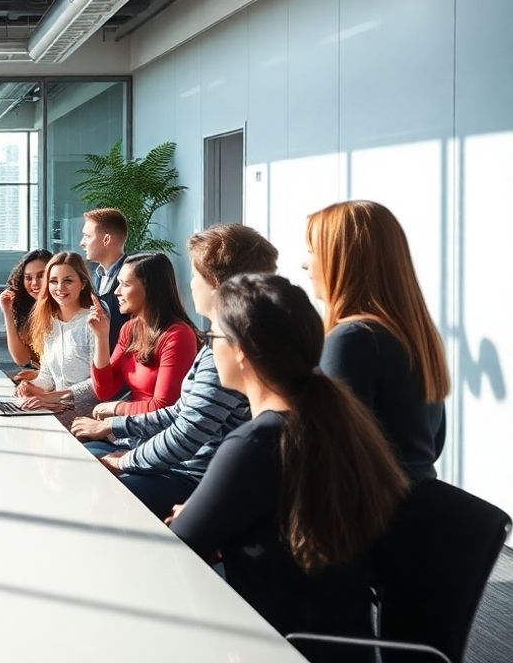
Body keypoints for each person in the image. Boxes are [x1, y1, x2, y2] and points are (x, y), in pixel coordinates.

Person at [170, 274, 409, 658]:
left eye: (212, 338)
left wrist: (201, 522)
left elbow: (177, 549)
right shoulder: (336, 422)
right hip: (336, 643)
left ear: (241, 351)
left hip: (274, 645)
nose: (208, 350)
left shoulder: (256, 443)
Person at [72, 224, 278, 518]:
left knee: (96, 490)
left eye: (195, 276)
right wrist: (114, 427)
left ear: (217, 284)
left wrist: (127, 459)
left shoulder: (226, 350)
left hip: (192, 476)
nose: (191, 285)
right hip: (181, 466)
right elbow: (181, 412)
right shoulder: (216, 344)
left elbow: (187, 432)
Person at [305, 200, 449, 482]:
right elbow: (431, 445)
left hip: (368, 519)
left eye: (312, 251)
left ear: (341, 259)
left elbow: (332, 457)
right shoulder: (417, 338)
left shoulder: (352, 339)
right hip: (416, 511)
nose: (304, 263)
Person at [87, 252, 199, 423]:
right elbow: (104, 391)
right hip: (130, 428)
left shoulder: (178, 335)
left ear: (150, 288)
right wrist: (101, 337)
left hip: (156, 436)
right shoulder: (129, 329)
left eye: (125, 284)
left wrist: (116, 408)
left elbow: (164, 407)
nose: (117, 291)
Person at [15, 252, 97, 425]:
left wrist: (52, 397)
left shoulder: (92, 322)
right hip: (55, 405)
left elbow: (97, 383)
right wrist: (31, 387)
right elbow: (47, 376)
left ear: (82, 284)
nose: (60, 288)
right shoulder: (49, 321)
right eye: (53, 281)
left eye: (68, 281)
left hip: (85, 412)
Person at [80, 207, 130, 352]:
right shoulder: (89, 276)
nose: (82, 243)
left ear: (106, 239)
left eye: (87, 236)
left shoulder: (135, 276)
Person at [0, 248, 53, 369]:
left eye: (41, 276)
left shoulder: (65, 310)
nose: (34, 283)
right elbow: (21, 359)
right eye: (28, 278)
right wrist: (8, 312)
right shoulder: (29, 309)